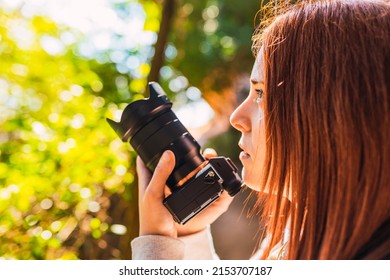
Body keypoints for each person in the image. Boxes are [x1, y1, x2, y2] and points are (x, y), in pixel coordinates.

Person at [131, 0, 390, 259]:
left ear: (338, 110)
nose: (236, 118)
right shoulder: (294, 240)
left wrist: (157, 247)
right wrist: (186, 235)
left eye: (261, 93)